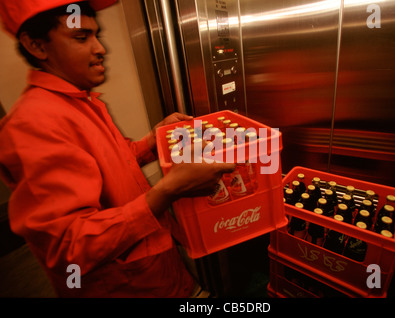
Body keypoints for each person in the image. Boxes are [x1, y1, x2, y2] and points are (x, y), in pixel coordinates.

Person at [0, 0, 235, 297]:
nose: (100, 49)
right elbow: (68, 247)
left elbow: (107, 163)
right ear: (36, 46)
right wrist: (165, 192)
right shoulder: (30, 125)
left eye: (97, 36)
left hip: (160, 274)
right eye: (81, 37)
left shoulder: (81, 101)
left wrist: (151, 141)